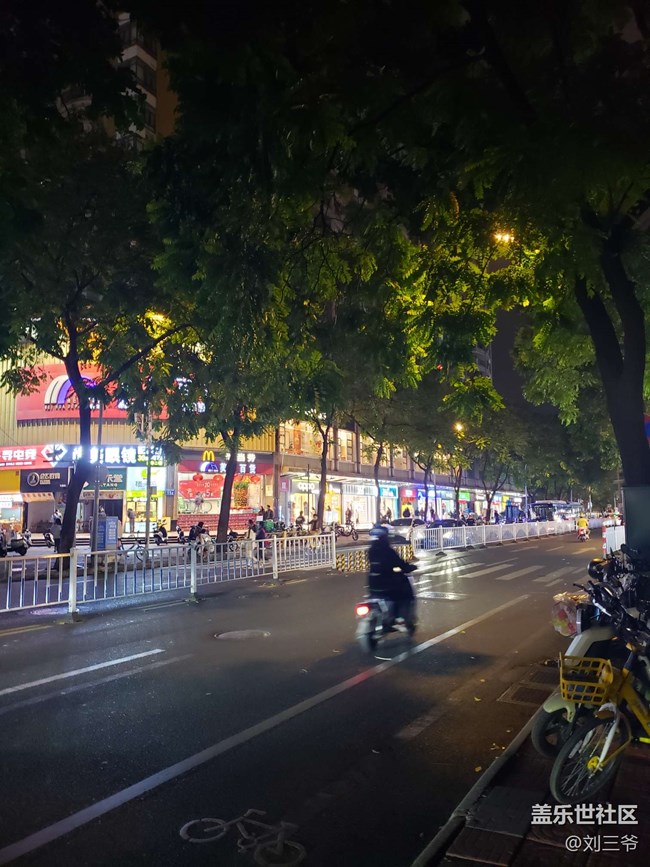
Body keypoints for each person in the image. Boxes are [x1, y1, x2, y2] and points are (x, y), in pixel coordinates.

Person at [367, 524, 416, 621]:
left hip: (372, 587)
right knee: (405, 595)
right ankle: (401, 619)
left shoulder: (371, 551)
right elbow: (400, 563)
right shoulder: (388, 551)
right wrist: (409, 567)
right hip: (387, 586)